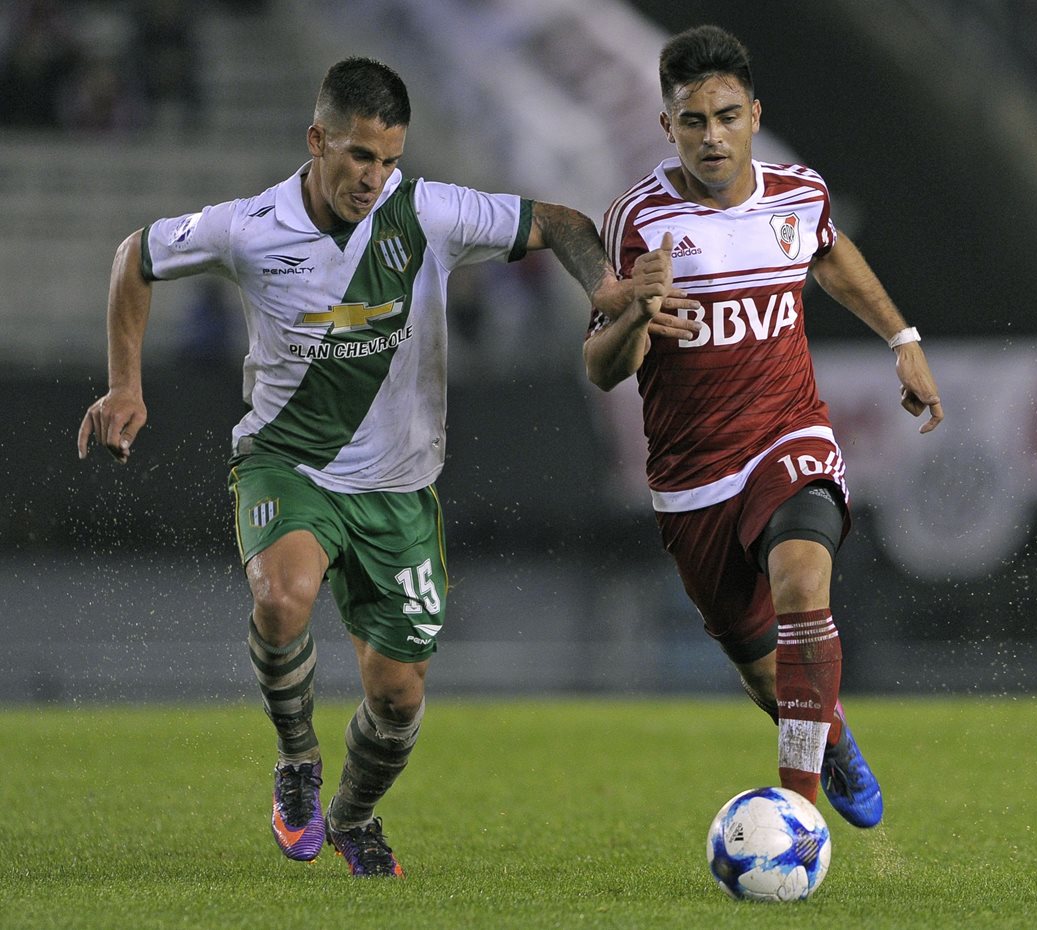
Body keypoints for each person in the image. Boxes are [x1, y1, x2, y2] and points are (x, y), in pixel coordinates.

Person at [76, 56, 690, 878]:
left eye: (390, 158)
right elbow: (134, 256)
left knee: (398, 699)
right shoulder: (252, 226)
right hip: (286, 462)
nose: (376, 177)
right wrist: (124, 385)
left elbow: (563, 221)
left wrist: (605, 287)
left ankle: (354, 818)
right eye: (360, 156)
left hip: (398, 489)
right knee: (283, 596)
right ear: (317, 139)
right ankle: (297, 762)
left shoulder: (428, 213)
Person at [584, 25, 944, 829]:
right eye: (692, 121)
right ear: (667, 126)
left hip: (788, 436)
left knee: (803, 585)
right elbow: (601, 366)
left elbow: (829, 252)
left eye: (726, 116)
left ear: (754, 114)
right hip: (691, 476)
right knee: (762, 672)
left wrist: (903, 339)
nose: (712, 136)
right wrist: (637, 312)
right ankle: (834, 738)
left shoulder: (798, 193)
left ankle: (797, 816)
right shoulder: (637, 221)